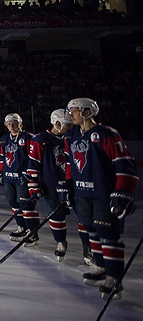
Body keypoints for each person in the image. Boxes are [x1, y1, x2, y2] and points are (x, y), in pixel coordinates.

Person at [62, 97, 138, 299]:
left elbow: (124, 164)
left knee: (108, 233)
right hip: (82, 193)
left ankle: (114, 277)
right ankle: (101, 267)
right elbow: (71, 164)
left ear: (87, 112)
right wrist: (68, 185)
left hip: (103, 193)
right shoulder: (71, 136)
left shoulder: (106, 134)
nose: (71, 114)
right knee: (90, 230)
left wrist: (122, 191)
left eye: (74, 110)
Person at [27, 109, 73, 261]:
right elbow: (33, 163)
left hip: (73, 183)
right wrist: (33, 184)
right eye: (67, 125)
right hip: (51, 184)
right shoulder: (40, 138)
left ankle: (88, 248)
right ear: (58, 123)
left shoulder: (72, 137)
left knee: (84, 217)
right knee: (55, 215)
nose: (71, 127)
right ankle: (60, 242)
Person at [0, 113, 39, 246]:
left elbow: (34, 159)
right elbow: (3, 158)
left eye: (14, 123)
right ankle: (21, 227)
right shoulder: (4, 139)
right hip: (9, 178)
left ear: (20, 123)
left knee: (26, 205)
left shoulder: (28, 138)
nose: (12, 126)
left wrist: (31, 175)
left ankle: (32, 233)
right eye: (9, 123)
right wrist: (0, 172)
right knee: (14, 204)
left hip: (23, 178)